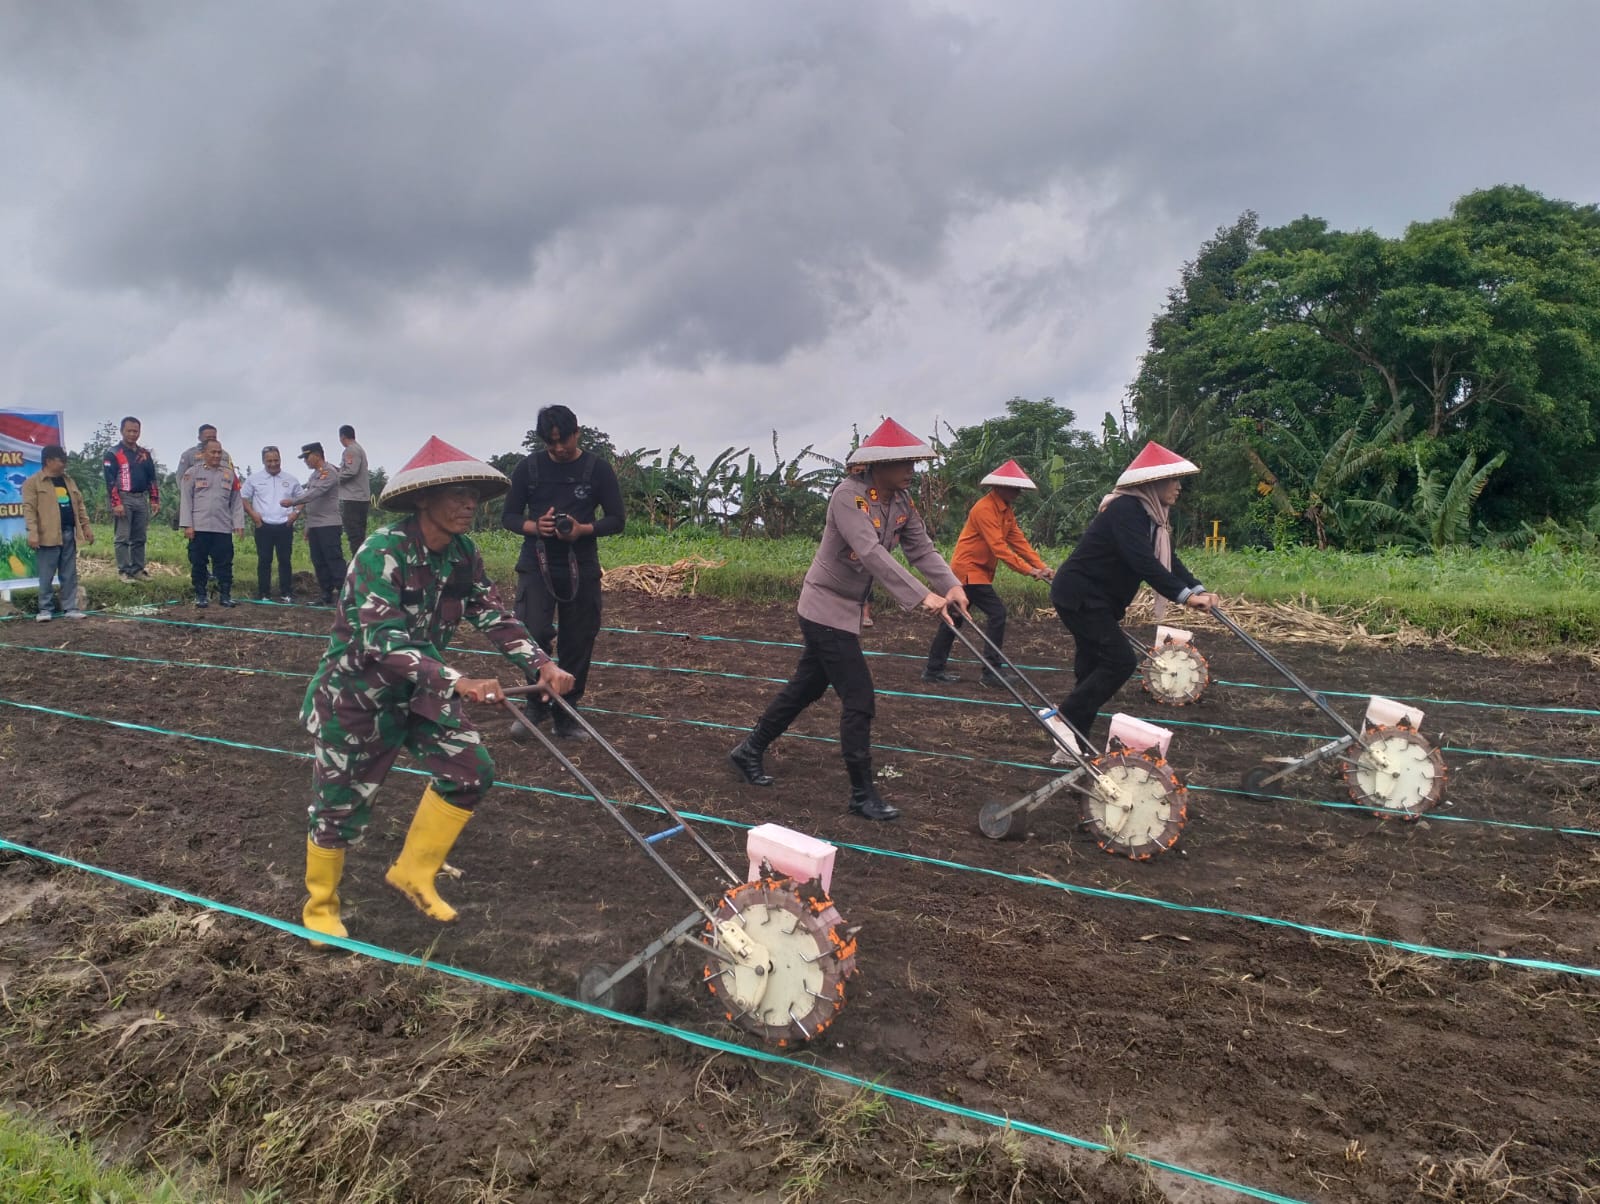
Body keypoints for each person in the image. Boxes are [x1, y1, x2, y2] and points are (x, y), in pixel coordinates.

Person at [299, 436, 574, 945]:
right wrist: (458, 681)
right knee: (337, 805)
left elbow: (492, 613)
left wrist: (543, 663)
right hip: (357, 696)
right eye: (456, 495)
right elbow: (381, 641)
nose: (468, 504)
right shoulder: (382, 551)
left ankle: (414, 872)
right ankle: (320, 906)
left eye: (473, 496)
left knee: (471, 771)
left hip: (419, 690)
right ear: (423, 499)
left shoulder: (462, 552)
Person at [728, 418, 967, 822]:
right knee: (859, 698)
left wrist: (953, 585)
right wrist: (921, 596)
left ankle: (748, 750)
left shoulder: (901, 503)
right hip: (823, 607)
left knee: (806, 686)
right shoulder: (849, 497)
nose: (911, 470)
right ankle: (862, 794)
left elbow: (922, 549)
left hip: (849, 610)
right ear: (877, 465)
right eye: (903, 462)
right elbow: (871, 552)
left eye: (914, 462)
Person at [1049, 441, 1218, 750]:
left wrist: (1197, 589)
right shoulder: (1126, 510)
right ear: (1153, 483)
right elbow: (1142, 561)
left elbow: (1170, 561)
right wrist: (1183, 597)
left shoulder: (1153, 517)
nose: (1179, 487)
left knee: (1089, 669)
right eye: (1174, 480)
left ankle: (1072, 746)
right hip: (1081, 595)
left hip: (1100, 599)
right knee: (1119, 660)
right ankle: (1064, 716)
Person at [499, 404, 625, 740]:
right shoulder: (529, 468)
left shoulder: (597, 470)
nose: (557, 448)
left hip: (580, 562)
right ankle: (535, 704)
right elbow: (508, 516)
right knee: (533, 631)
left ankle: (566, 713)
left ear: (577, 433)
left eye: (563, 440)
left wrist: (582, 529)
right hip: (536, 561)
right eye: (550, 442)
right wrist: (534, 526)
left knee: (579, 637)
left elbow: (617, 519)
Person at [923, 459, 1053, 687]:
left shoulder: (1006, 511)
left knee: (954, 620)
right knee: (997, 614)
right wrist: (1028, 570)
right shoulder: (984, 509)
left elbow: (1018, 541)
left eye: (1019, 488)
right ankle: (990, 671)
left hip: (978, 572)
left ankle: (934, 670)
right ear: (999, 487)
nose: (1018, 493)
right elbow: (999, 548)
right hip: (968, 572)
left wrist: (1041, 567)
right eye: (1014, 488)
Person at [22, 444, 94, 621]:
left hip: (68, 532)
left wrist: (86, 527)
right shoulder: (33, 483)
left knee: (69, 572)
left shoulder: (68, 481)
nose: (64, 464)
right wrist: (33, 532)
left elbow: (80, 505)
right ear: (48, 461)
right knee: (46, 574)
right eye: (60, 460)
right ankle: (45, 610)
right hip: (47, 535)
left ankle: (70, 608)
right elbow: (29, 510)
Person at [180, 438, 245, 608]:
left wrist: (238, 523)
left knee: (224, 563)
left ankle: (225, 595)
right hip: (199, 527)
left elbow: (236, 501)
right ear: (203, 454)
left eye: (219, 452)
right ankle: (201, 595)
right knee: (198, 562)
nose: (216, 455)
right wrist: (187, 525)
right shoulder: (192, 473)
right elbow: (186, 500)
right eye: (213, 452)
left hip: (222, 527)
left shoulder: (230, 475)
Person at [284, 442, 345, 605]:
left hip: (329, 524)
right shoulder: (314, 475)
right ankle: (325, 593)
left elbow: (315, 493)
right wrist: (308, 525)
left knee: (333, 559)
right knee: (319, 561)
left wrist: (293, 502)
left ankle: (344, 595)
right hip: (316, 524)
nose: (305, 461)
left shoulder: (329, 472)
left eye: (307, 457)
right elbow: (312, 501)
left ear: (317, 455)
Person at [102, 415, 160, 581]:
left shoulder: (144, 454)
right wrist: (116, 503)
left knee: (140, 537)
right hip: (123, 497)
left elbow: (152, 478)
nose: (133, 434)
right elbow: (110, 480)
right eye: (129, 431)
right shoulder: (113, 453)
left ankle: (138, 569)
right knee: (122, 537)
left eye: (136, 431)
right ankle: (124, 570)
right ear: (122, 431)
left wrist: (154, 499)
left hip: (141, 498)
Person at [240, 445, 300, 602]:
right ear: (263, 461)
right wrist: (254, 515)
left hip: (285, 525)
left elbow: (302, 498)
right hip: (263, 525)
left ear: (280, 460)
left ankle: (286, 592)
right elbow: (243, 498)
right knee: (264, 559)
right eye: (269, 461)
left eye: (276, 460)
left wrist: (295, 513)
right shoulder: (254, 479)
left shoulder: (291, 479)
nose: (273, 464)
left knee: (285, 560)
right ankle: (264, 593)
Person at [337, 424, 371, 558]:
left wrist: (335, 478)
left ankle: (358, 562)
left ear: (342, 437)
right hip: (361, 497)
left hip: (353, 497)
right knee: (359, 534)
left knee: (354, 534)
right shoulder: (359, 449)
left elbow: (351, 471)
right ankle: (361, 561)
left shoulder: (350, 450)